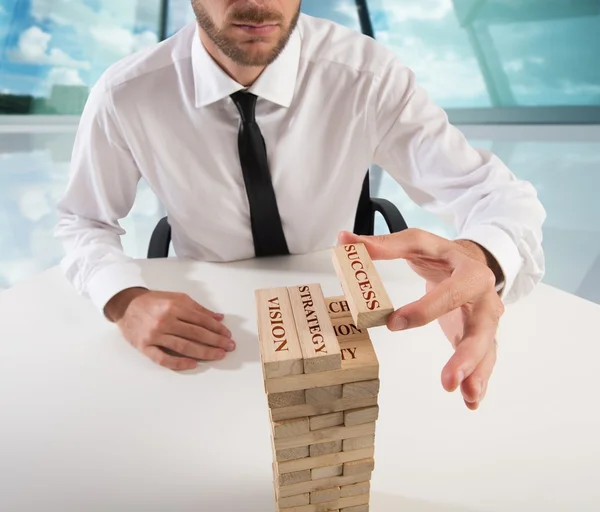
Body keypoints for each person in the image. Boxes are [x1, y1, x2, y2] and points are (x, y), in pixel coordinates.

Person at [55, 0, 546, 410]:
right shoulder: (127, 93)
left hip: (339, 311)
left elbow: (494, 194)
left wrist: (479, 257)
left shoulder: (367, 75)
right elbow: (83, 218)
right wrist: (123, 300)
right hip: (214, 320)